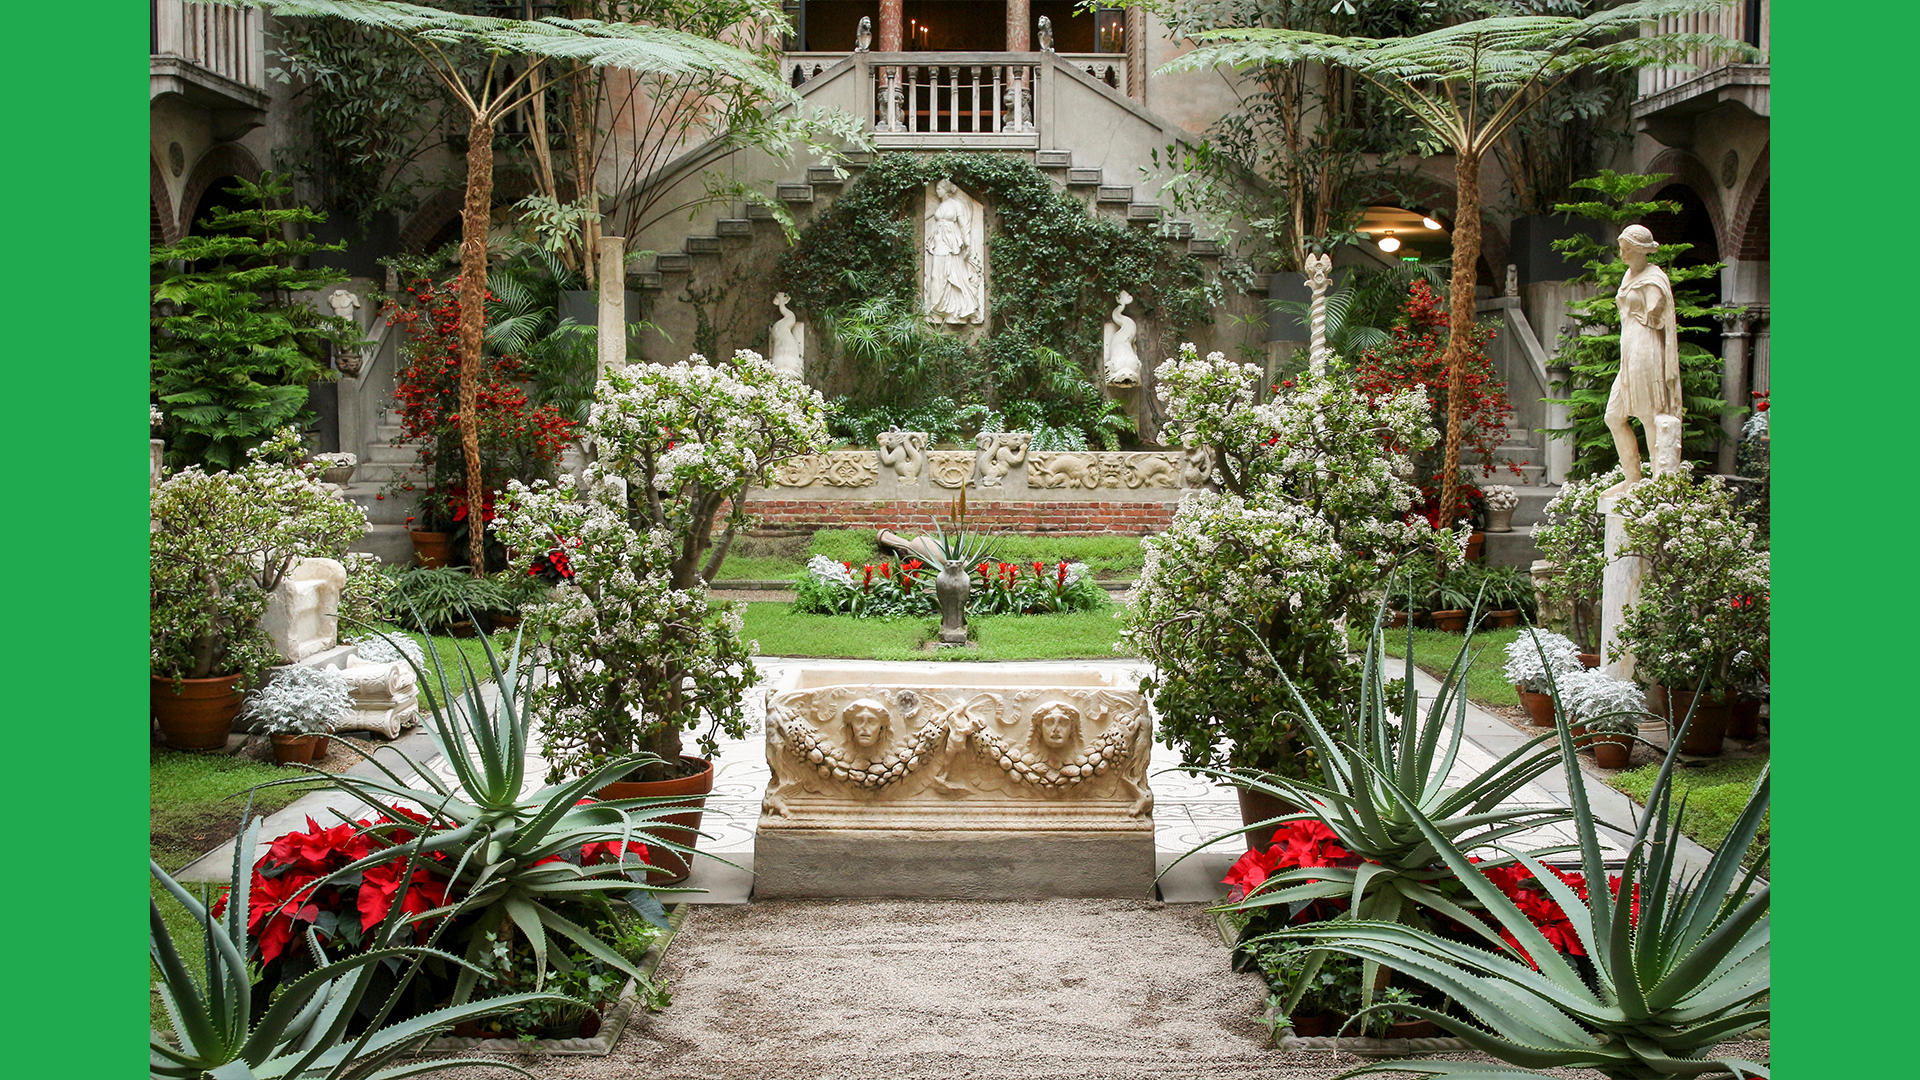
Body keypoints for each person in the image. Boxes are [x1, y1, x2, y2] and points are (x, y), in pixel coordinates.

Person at [1605, 224, 1683, 491]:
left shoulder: (1654, 277)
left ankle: (1659, 483)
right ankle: (1633, 479)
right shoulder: (1628, 275)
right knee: (1614, 416)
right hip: (1629, 351)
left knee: (1649, 415)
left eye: (1627, 250)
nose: (1623, 255)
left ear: (1640, 251)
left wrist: (1648, 306)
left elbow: (1656, 310)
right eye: (1621, 249)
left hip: (1644, 350)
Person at [924, 179, 984, 324]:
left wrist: (968, 243)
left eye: (939, 188)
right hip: (939, 242)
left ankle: (956, 311)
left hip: (951, 244)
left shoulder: (957, 205)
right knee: (935, 276)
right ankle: (937, 309)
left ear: (946, 189)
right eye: (936, 188)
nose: (937, 191)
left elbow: (964, 225)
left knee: (952, 276)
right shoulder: (940, 206)